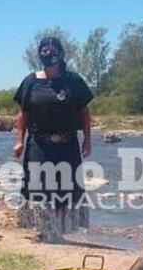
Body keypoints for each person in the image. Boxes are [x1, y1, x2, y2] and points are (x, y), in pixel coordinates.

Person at [12, 37, 93, 243]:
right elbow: (22, 114)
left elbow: (84, 113)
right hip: (39, 143)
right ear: (39, 54)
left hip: (68, 144)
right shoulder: (30, 82)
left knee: (65, 186)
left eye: (53, 50)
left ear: (61, 53)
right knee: (39, 187)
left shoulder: (73, 80)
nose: (48, 54)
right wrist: (19, 140)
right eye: (44, 50)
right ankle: (46, 230)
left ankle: (58, 231)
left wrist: (88, 139)